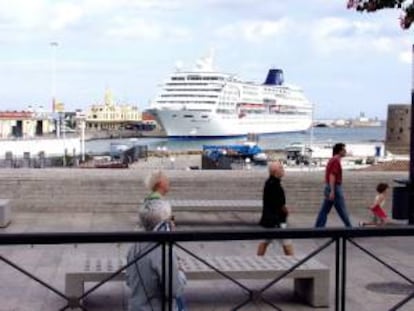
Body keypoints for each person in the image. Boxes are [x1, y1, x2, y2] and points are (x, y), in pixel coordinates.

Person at [126, 170, 186, 311]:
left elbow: (129, 280)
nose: (172, 224)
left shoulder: (133, 247)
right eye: (170, 221)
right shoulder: (162, 250)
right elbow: (175, 290)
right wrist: (181, 272)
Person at [257, 161, 294, 256]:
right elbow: (280, 204)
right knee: (287, 244)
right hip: (277, 221)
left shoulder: (269, 182)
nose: (283, 170)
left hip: (269, 220)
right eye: (281, 168)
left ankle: (258, 260)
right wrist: (286, 211)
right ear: (275, 171)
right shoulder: (275, 185)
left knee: (264, 242)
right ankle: (295, 265)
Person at [315, 143, 352, 228]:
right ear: (339, 151)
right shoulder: (336, 160)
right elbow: (332, 175)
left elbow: (329, 175)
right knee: (342, 210)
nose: (345, 151)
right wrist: (332, 190)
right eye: (344, 150)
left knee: (324, 210)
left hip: (329, 186)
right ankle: (350, 228)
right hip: (334, 187)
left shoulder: (332, 160)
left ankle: (318, 228)